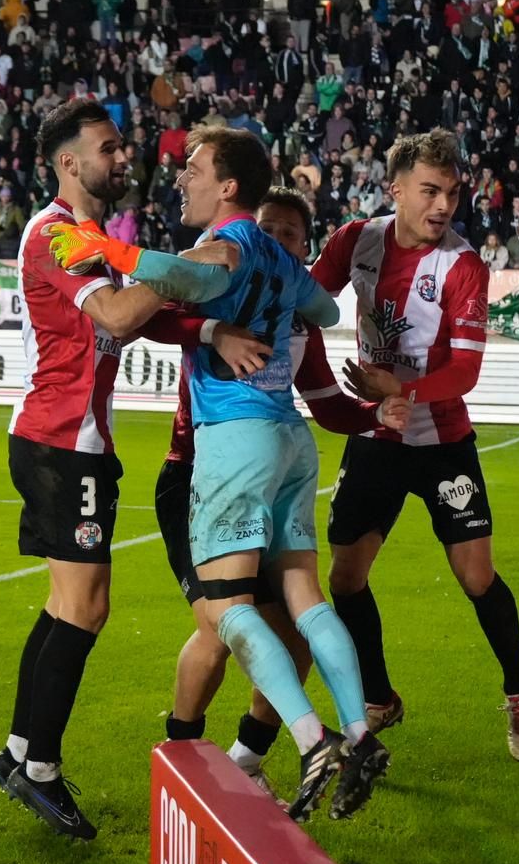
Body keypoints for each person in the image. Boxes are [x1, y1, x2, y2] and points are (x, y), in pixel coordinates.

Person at [45, 126, 393, 821]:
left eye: (196, 168)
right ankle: (359, 733)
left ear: (228, 184)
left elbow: (191, 277)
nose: (184, 178)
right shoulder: (278, 258)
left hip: (235, 441)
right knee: (304, 598)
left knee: (231, 614)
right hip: (292, 443)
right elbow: (322, 309)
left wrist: (109, 250)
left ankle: (309, 738)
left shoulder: (226, 246)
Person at [157, 187, 412, 800]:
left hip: (246, 463)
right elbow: (163, 314)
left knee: (282, 629)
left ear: (303, 248)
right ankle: (186, 748)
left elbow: (328, 406)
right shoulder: (220, 288)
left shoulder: (296, 324)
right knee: (219, 628)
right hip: (196, 471)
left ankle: (251, 754)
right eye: (267, 228)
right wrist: (216, 330)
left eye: (290, 235)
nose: (275, 241)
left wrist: (376, 411)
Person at [312, 128, 519, 761]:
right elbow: (306, 301)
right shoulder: (355, 240)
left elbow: (465, 373)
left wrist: (399, 387)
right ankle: (381, 698)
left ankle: (518, 691)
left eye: (452, 192)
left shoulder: (463, 265)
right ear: (396, 190)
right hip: (375, 439)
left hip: (442, 440)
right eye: (430, 191)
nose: (443, 205)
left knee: (476, 576)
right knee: (346, 577)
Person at [0, 100, 172, 841]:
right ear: (70, 162)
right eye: (109, 148)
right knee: (87, 607)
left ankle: (17, 751)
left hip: (64, 443)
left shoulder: (90, 238)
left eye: (123, 146)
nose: (122, 158)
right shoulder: (57, 233)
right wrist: (198, 265)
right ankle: (41, 772)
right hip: (63, 446)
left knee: (66, 605)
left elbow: (137, 313)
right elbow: (123, 318)